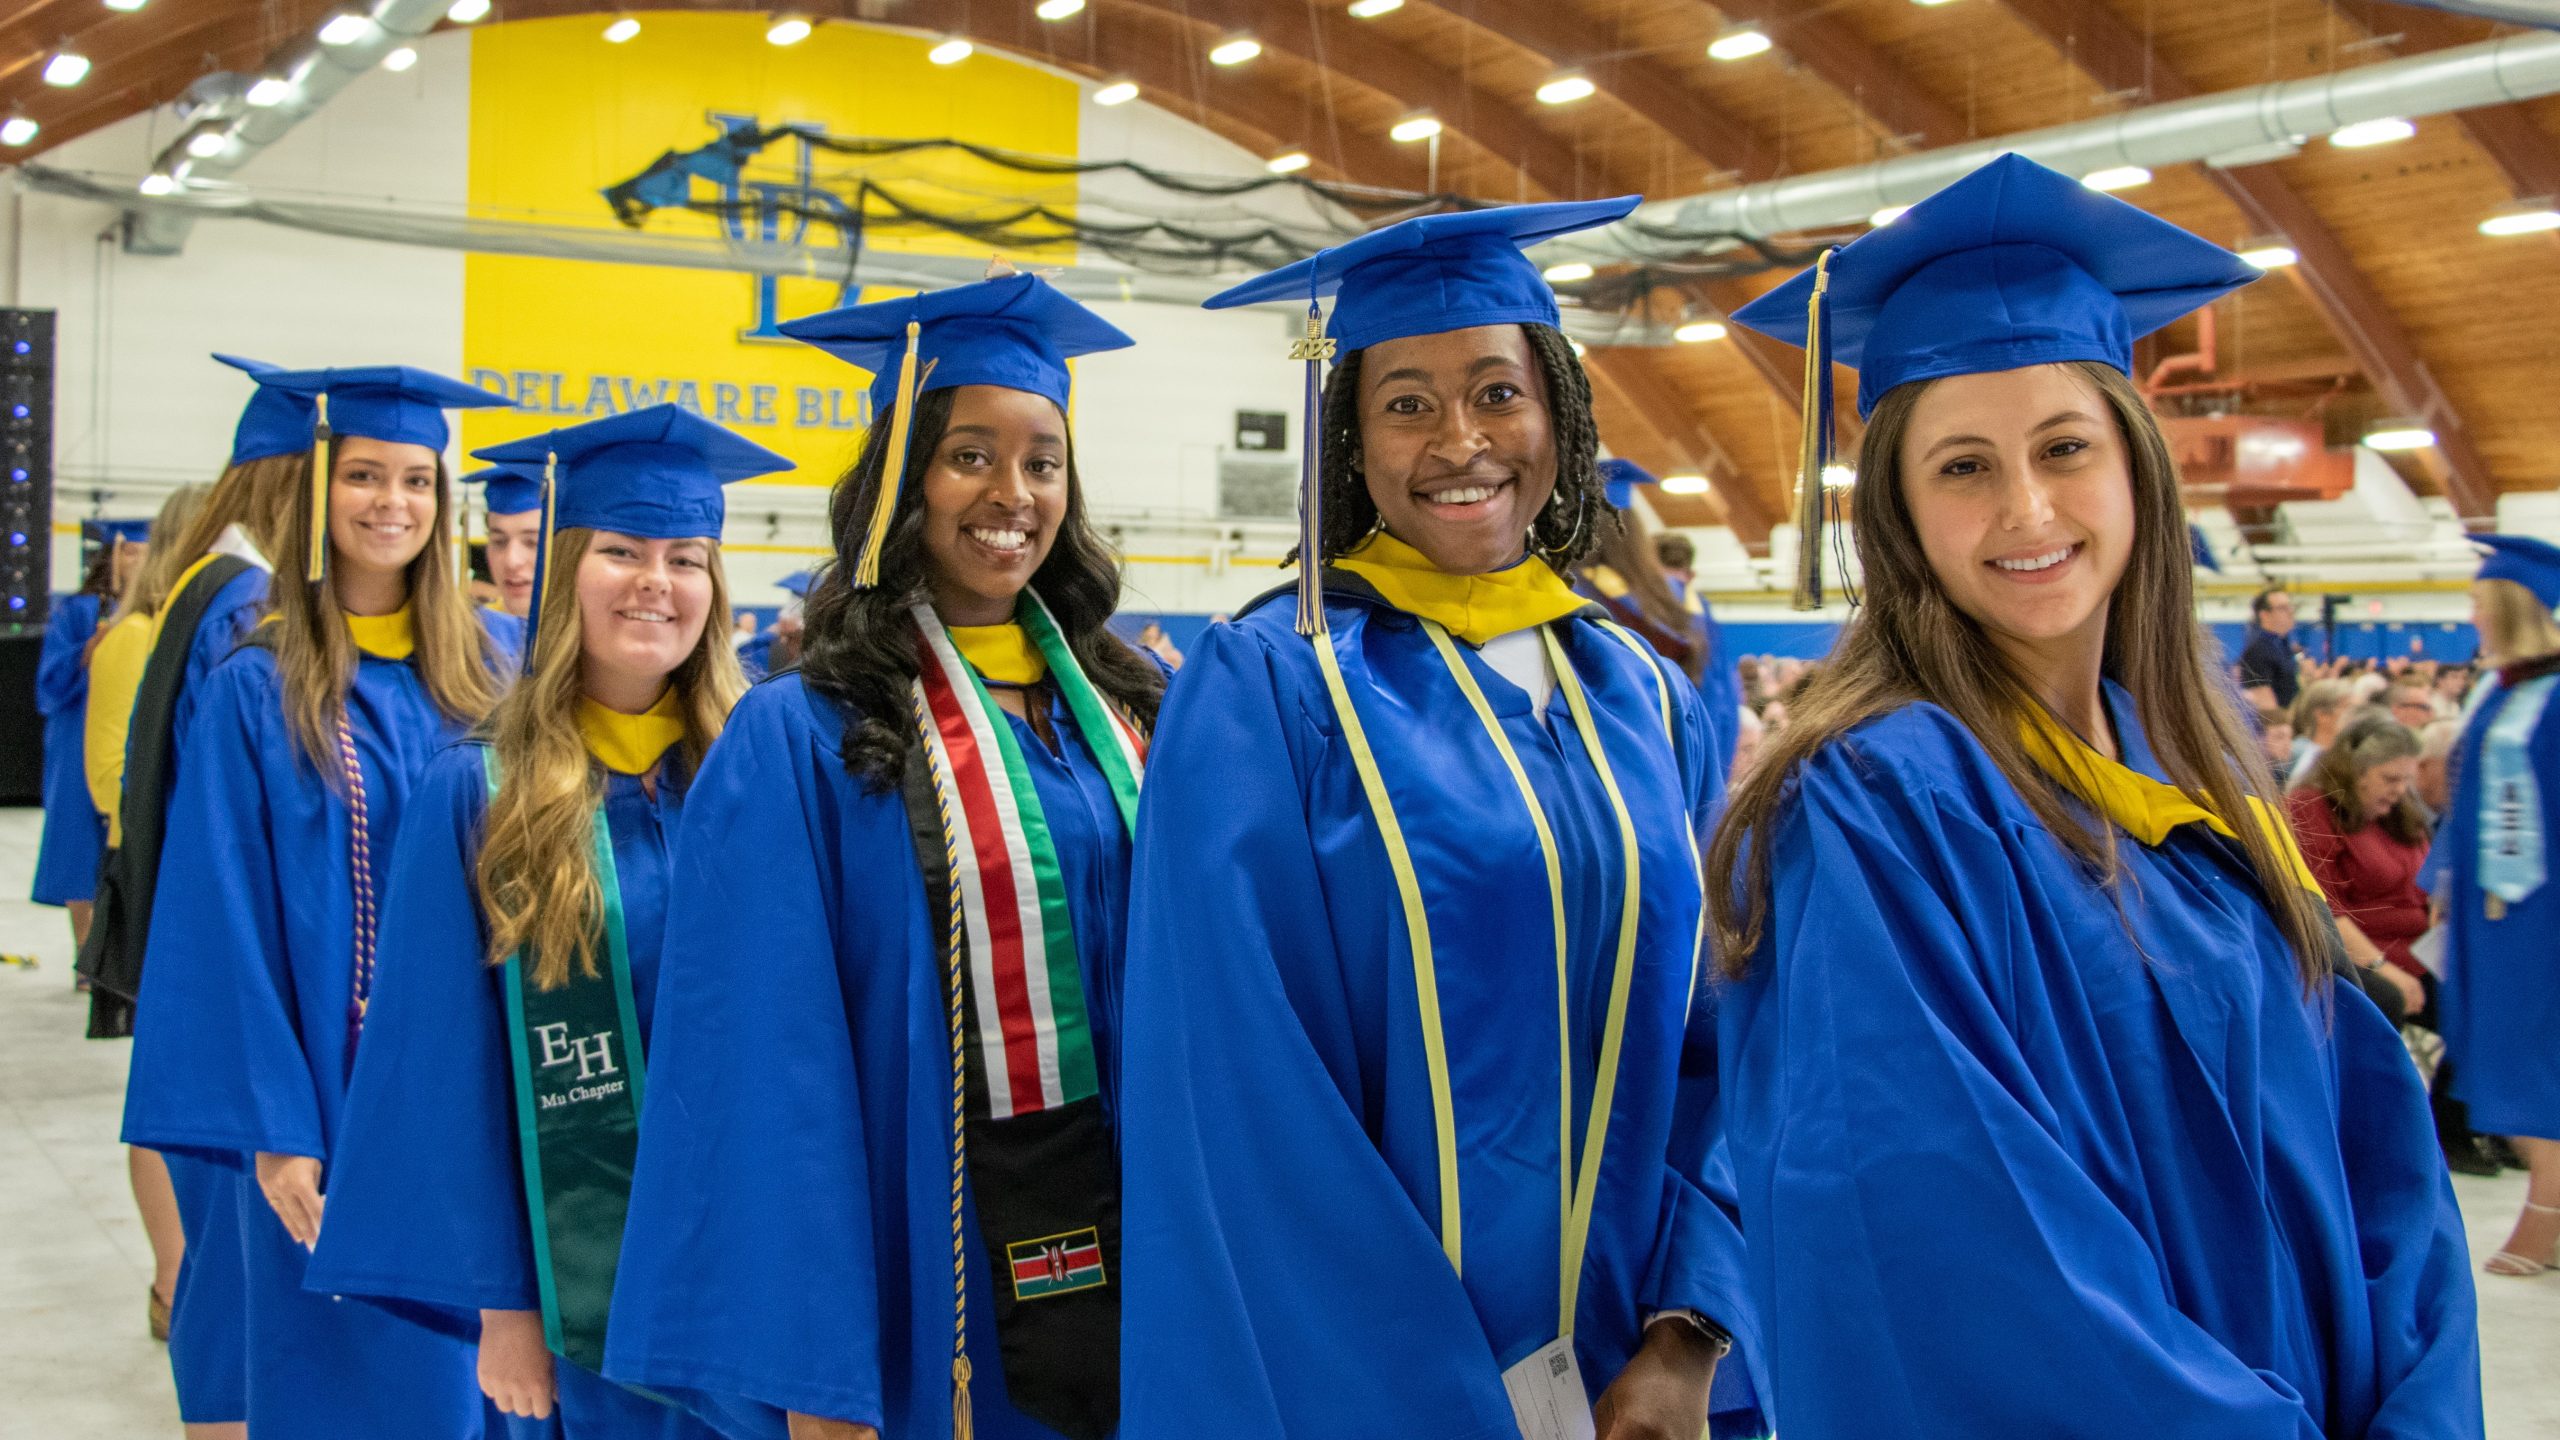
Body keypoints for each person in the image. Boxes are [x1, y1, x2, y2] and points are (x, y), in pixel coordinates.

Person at [1716, 153, 2478, 1436]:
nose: (2027, 506)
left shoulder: (2197, 775)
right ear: (1897, 511)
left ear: (2135, 470)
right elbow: (1947, 1243)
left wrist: (2417, 1406)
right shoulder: (1875, 806)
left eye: (2064, 447)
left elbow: (2379, 1153)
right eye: (1961, 466)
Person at [1119, 200, 1764, 1440]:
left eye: (1495, 393)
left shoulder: (1644, 699)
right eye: (1406, 402)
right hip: (1365, 1383)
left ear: (1556, 418)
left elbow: (1718, 1039)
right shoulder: (1272, 690)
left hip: (1635, 1377)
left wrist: (1689, 1330)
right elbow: (1239, 1099)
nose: (1460, 438)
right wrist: (1425, 1394)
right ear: (1348, 445)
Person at [603, 274, 1164, 1440]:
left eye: (1042, 460)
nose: (1012, 494)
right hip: (932, 1278)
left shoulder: (1135, 710)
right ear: (901, 479)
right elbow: (762, 1071)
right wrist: (813, 1371)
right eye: (969, 455)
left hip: (1152, 1253)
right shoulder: (801, 733)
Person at [309, 405, 780, 1439]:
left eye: (686, 556)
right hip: (579, 1286)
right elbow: (443, 1070)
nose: (657, 579)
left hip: (754, 1266)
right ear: (567, 571)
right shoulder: (481, 793)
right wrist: (506, 1305)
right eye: (620, 550)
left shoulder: (762, 781)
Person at [119, 363, 519, 1440]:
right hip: (331, 1082)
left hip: (482, 1073)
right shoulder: (263, 682)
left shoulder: (496, 666)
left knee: (495, 1366)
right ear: (318, 490)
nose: (392, 503)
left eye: (418, 480)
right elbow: (221, 914)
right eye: (365, 477)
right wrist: (272, 1126)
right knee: (356, 1364)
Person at [2431, 533, 2560, 1277]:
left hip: (2540, 918)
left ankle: (2545, 1213)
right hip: (2497, 915)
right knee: (2502, 1049)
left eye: (2481, 603)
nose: (2473, 617)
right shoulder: (2504, 690)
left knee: (2538, 1054)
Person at [32, 519, 149, 945]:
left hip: (125, 730)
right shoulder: (79, 611)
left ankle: (115, 947)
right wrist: (90, 649)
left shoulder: (148, 615)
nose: (140, 560)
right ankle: (85, 949)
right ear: (112, 556)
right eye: (131, 551)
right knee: (78, 840)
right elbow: (49, 683)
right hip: (76, 731)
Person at [2286, 713, 2431, 1017]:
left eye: (2407, 780)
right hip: (2358, 961)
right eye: (2391, 779)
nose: (2401, 790)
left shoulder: (2398, 812)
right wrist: (2382, 967)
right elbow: (2322, 909)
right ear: (2355, 771)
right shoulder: (2310, 808)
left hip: (2418, 955)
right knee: (2389, 997)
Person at [463, 463, 544, 621]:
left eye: (532, 542)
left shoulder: (596, 639)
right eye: (499, 541)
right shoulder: (470, 634)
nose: (511, 560)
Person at [2239, 585, 2300, 708]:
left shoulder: (2281, 645)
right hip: (2278, 724)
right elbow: (2263, 699)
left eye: (2290, 606)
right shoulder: (2258, 650)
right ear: (2265, 615)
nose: (2290, 612)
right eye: (2283, 608)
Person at [2287, 676, 2354, 786]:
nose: (2353, 715)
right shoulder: (2299, 752)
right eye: (2347, 708)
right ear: (2322, 715)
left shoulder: (2345, 752)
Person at [2255, 703, 2295, 774]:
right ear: (2258, 738)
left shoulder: (2280, 775)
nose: (2287, 744)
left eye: (2290, 737)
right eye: (2279, 736)